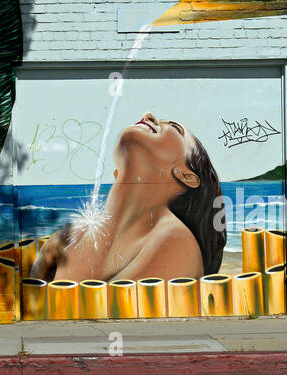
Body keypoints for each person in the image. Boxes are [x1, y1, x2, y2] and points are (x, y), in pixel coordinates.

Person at [28, 112, 225, 283]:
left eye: (174, 128)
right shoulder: (71, 236)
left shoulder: (176, 243)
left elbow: (108, 314)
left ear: (186, 176)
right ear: (117, 173)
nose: (148, 116)